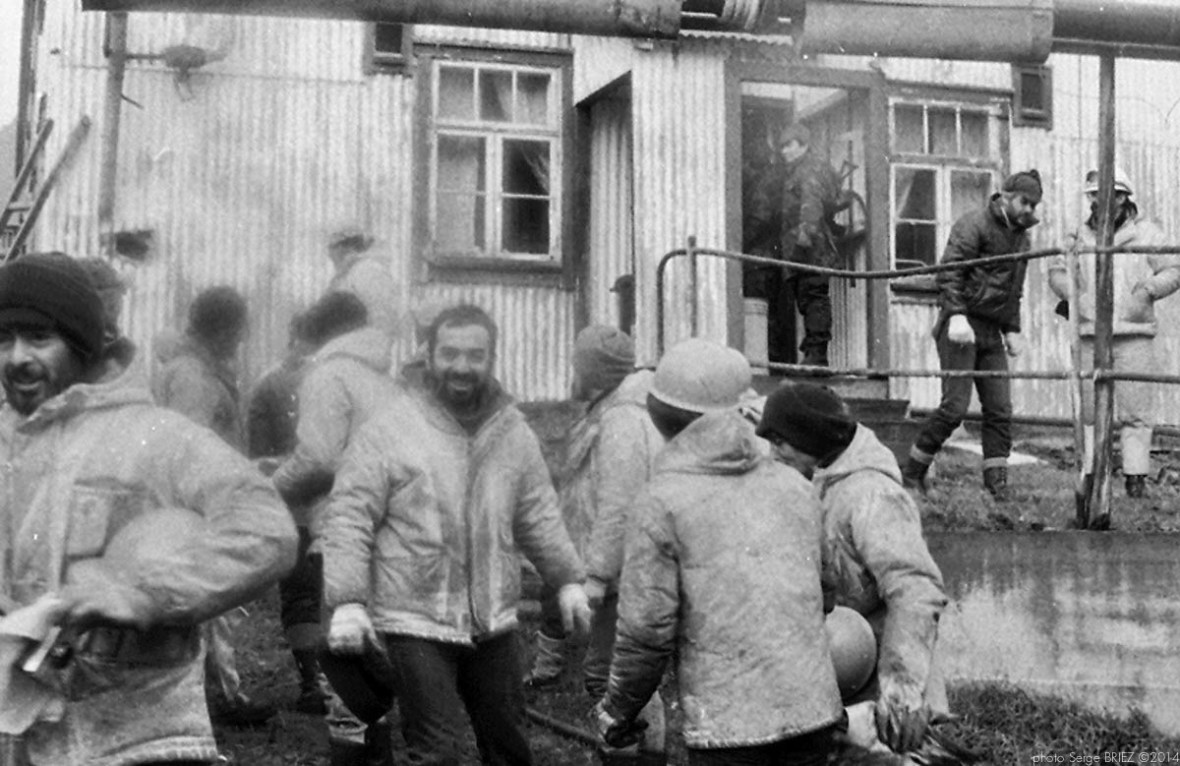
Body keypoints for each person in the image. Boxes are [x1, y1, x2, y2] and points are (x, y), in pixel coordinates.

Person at [0, 252, 297, 765]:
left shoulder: (159, 439)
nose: (16, 357)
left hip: (142, 739)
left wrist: (145, 596)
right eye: (3, 339)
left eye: (39, 338)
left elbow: (267, 533)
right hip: (24, 736)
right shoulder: (6, 444)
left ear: (84, 342)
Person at [321, 303, 592, 765]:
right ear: (429, 355)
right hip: (415, 618)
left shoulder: (512, 432)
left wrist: (567, 579)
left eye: (475, 355)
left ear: (491, 358)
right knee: (438, 752)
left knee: (510, 749)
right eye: (449, 353)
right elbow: (349, 515)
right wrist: (347, 600)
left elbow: (538, 514)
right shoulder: (389, 428)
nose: (462, 367)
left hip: (494, 621)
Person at [595, 338, 843, 766]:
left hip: (729, 731)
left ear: (662, 417)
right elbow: (828, 592)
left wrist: (616, 712)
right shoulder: (795, 487)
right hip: (814, 712)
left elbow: (645, 636)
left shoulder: (661, 502)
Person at [756, 382, 949, 755]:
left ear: (809, 438)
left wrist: (902, 688)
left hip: (883, 673)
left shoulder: (872, 495)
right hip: (841, 664)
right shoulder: (818, 477)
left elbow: (916, 589)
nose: (772, 452)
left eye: (780, 442)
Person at [523, 325, 667, 759]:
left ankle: (636, 755)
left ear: (596, 372)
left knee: (611, 677)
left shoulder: (621, 421)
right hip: (625, 566)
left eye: (578, 364)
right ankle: (646, 751)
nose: (573, 372)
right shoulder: (617, 410)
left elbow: (618, 508)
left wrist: (598, 577)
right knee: (619, 673)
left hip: (622, 571)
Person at [272, 291, 401, 766]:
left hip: (345, 528)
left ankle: (353, 756)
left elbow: (319, 457)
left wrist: (269, 488)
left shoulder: (327, 375)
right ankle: (377, 751)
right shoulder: (382, 378)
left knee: (342, 663)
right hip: (391, 529)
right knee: (371, 652)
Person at [151, 285, 273, 726]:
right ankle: (221, 696)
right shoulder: (194, 377)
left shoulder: (196, 368)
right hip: (200, 504)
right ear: (223, 330)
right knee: (215, 604)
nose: (239, 342)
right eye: (238, 333)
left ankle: (214, 692)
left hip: (201, 500)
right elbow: (191, 444)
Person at [901, 169, 1044, 502]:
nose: (1029, 209)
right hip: (960, 327)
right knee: (954, 408)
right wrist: (956, 314)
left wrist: (1012, 329)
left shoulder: (1023, 237)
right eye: (1025, 201)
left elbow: (1013, 291)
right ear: (1006, 196)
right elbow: (949, 272)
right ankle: (911, 474)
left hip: (991, 332)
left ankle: (997, 486)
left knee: (999, 408)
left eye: (1034, 204)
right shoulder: (973, 224)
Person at [1048, 168, 1180, 499]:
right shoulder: (1077, 236)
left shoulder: (1147, 234)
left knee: (1136, 412)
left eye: (1107, 196)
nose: (1098, 202)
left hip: (1134, 333)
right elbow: (1058, 271)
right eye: (1093, 196)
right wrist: (1073, 295)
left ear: (1123, 198)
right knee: (1091, 412)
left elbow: (1174, 269)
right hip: (1091, 333)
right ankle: (1093, 477)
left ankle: (1135, 480)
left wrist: (1149, 289)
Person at [244, 310, 329, 717]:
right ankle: (319, 682)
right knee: (309, 593)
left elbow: (259, 457)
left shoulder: (271, 383)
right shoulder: (335, 378)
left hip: (307, 503)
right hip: (311, 504)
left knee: (304, 594)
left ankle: (317, 681)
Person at [744, 122, 848, 367]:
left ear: (803, 145)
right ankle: (813, 353)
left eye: (789, 145)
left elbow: (811, 205)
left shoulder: (809, 170)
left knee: (813, 298)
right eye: (782, 147)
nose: (784, 151)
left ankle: (816, 356)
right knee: (809, 299)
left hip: (810, 249)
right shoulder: (802, 169)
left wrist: (804, 239)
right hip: (806, 248)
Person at [326, 225, 399, 340]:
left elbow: (383, 319)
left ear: (344, 247)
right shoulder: (350, 272)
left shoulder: (369, 270)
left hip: (363, 347)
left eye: (331, 247)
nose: (329, 254)